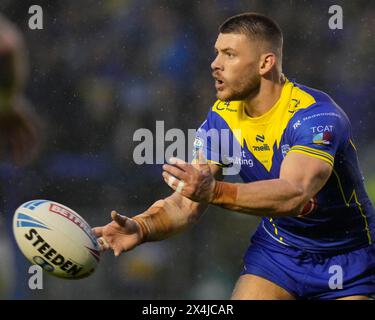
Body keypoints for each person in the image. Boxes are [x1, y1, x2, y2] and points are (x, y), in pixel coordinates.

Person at [92, 12, 375, 300]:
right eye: (216, 53)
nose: (215, 64)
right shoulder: (222, 117)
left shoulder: (315, 116)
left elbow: (293, 194)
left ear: (266, 63)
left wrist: (213, 191)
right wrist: (142, 227)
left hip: (348, 256)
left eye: (229, 54)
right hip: (280, 253)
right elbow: (187, 204)